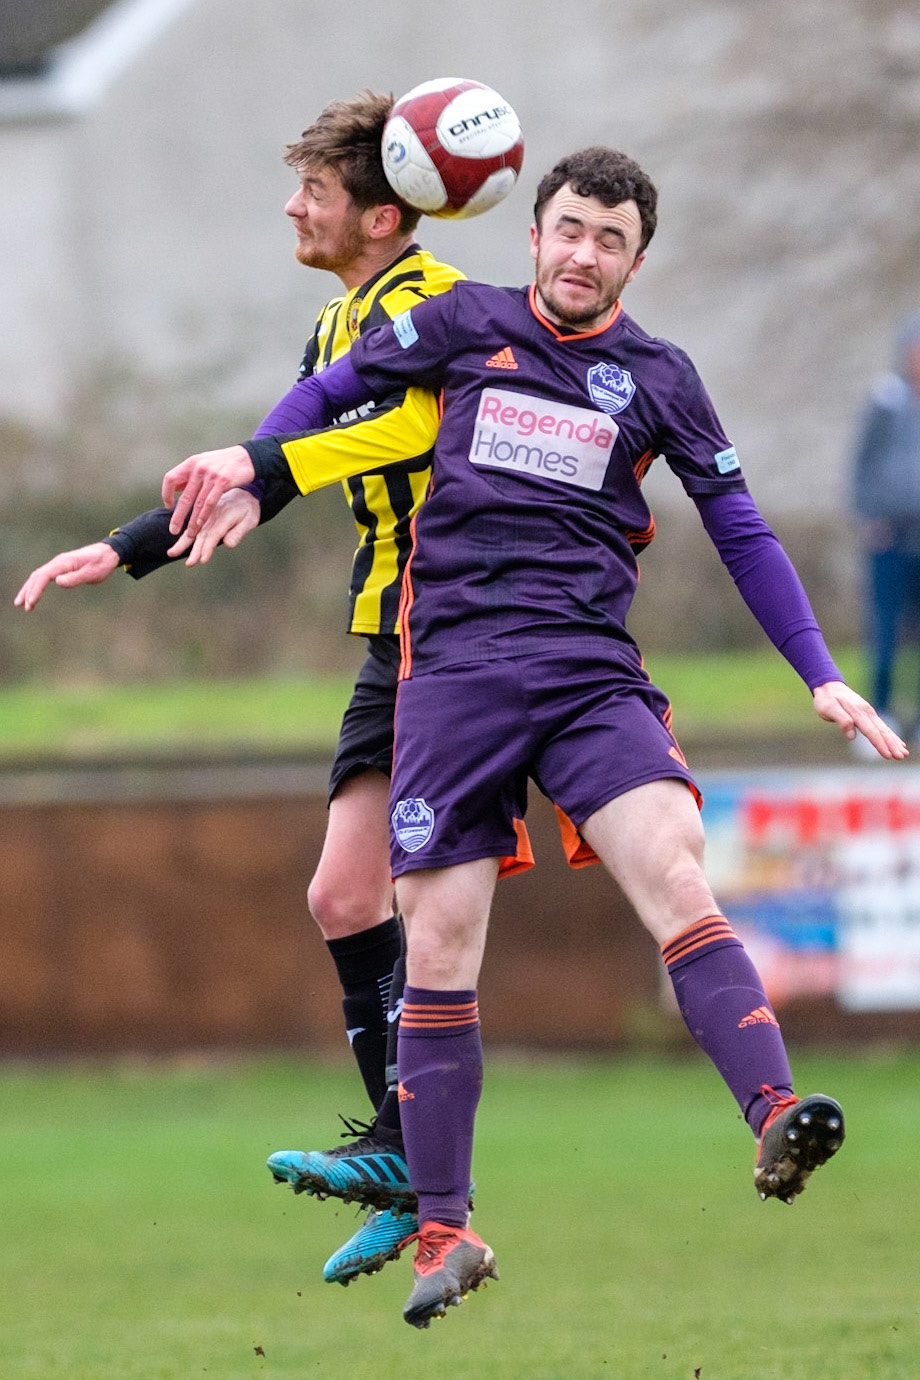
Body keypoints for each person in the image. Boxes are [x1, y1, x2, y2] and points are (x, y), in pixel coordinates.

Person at [160, 145, 908, 1330]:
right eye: (568, 229)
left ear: (634, 260)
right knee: (441, 941)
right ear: (533, 235)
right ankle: (446, 1234)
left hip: (585, 674)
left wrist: (818, 674)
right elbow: (335, 388)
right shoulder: (464, 323)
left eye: (609, 240)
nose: (582, 254)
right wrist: (250, 464)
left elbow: (743, 529)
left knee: (671, 864)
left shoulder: (658, 376)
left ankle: (772, 1112)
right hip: (451, 678)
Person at [13, 89, 468, 1287]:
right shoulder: (336, 328)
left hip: (467, 638)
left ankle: (429, 1166)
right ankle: (409, 1161)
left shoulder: (432, 307)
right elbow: (259, 465)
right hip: (390, 637)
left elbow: (417, 426)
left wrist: (267, 467)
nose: (291, 208)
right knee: (338, 896)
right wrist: (128, 546)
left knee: (415, 903)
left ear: (381, 215)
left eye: (313, 193)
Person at [851, 310, 920, 751]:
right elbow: (861, 466)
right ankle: (877, 719)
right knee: (885, 630)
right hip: (890, 535)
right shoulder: (885, 402)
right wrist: (868, 516)